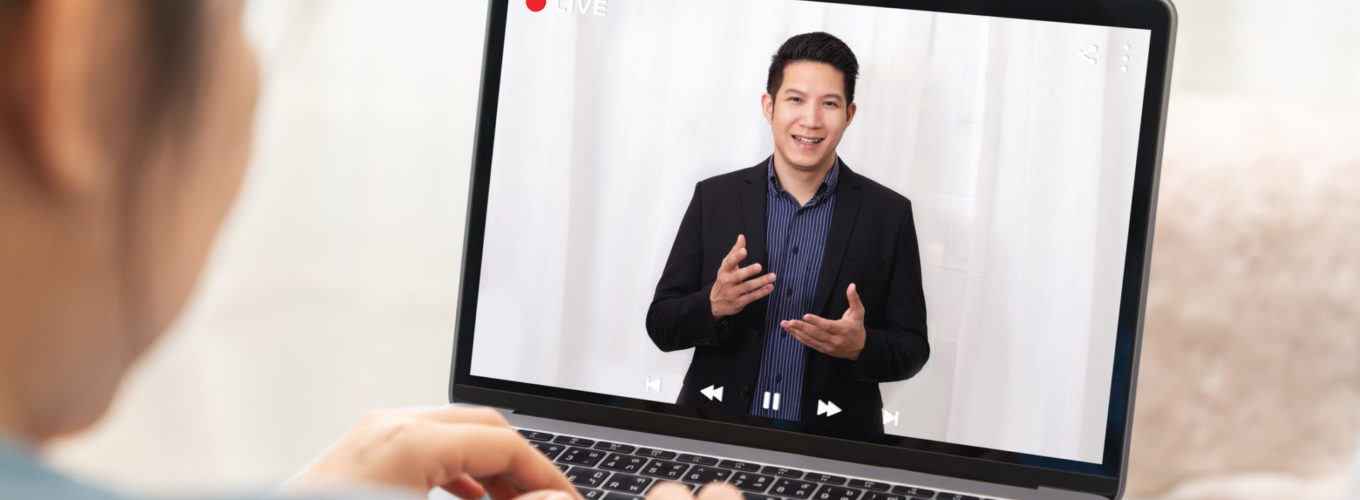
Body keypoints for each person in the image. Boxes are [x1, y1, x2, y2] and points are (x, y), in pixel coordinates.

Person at [0, 2, 741, 500]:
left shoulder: (863, 213)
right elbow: (663, 320)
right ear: (84, 60)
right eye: (238, 19)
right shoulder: (714, 200)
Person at [646, 32, 930, 434]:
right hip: (714, 433)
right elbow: (660, 323)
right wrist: (712, 304)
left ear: (849, 114)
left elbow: (913, 349)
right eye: (795, 99)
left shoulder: (889, 214)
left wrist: (862, 346)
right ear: (769, 106)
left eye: (829, 104)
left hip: (835, 448)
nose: (811, 120)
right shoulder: (715, 198)